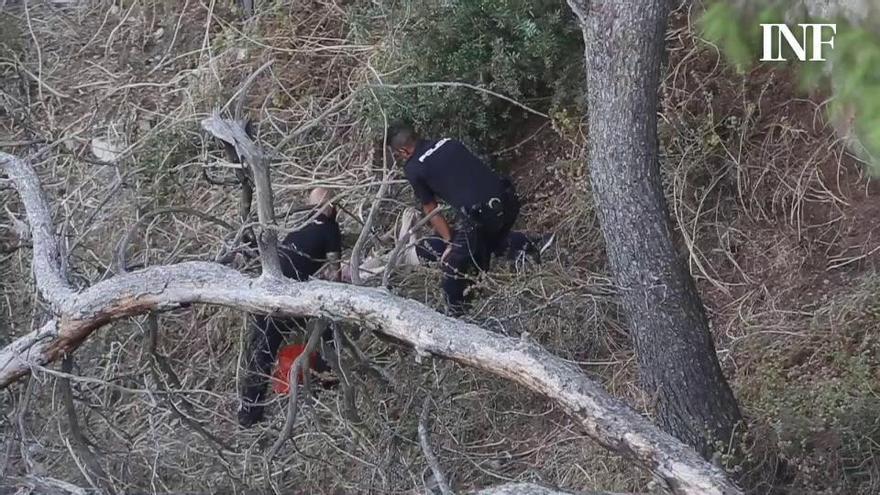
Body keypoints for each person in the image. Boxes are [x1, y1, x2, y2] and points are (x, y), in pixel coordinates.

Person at [389, 123, 522, 315]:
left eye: (398, 155)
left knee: (452, 266)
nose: (400, 158)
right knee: (487, 243)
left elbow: (430, 208)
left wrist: (449, 242)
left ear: (403, 150)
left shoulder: (414, 167)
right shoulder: (448, 142)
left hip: (481, 214)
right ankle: (530, 245)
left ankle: (457, 318)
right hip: (508, 199)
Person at [238, 187, 342, 427]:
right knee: (329, 325)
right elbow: (334, 276)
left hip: (267, 290)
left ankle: (248, 411)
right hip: (286, 298)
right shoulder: (330, 229)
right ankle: (329, 376)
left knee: (261, 352)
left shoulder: (298, 226)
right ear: (333, 206)